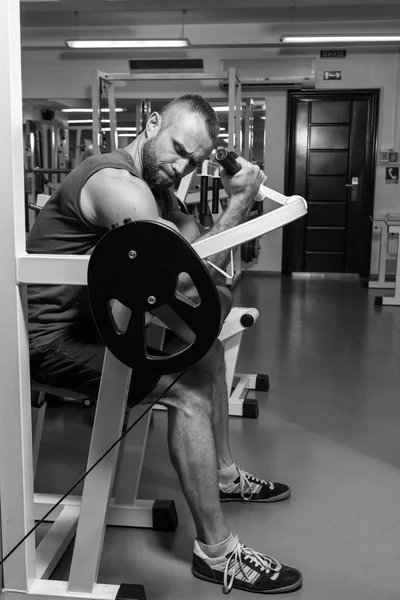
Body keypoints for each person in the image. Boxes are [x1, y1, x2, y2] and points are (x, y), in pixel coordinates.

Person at [27, 94, 302, 595]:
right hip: (50, 343)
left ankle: (220, 475)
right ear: (151, 124)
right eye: (177, 151)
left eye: (194, 163)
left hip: (103, 328)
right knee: (190, 389)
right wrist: (238, 204)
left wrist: (225, 215)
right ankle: (216, 555)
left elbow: (211, 299)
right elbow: (186, 288)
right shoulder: (117, 185)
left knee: (209, 350)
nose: (181, 169)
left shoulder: (164, 196)